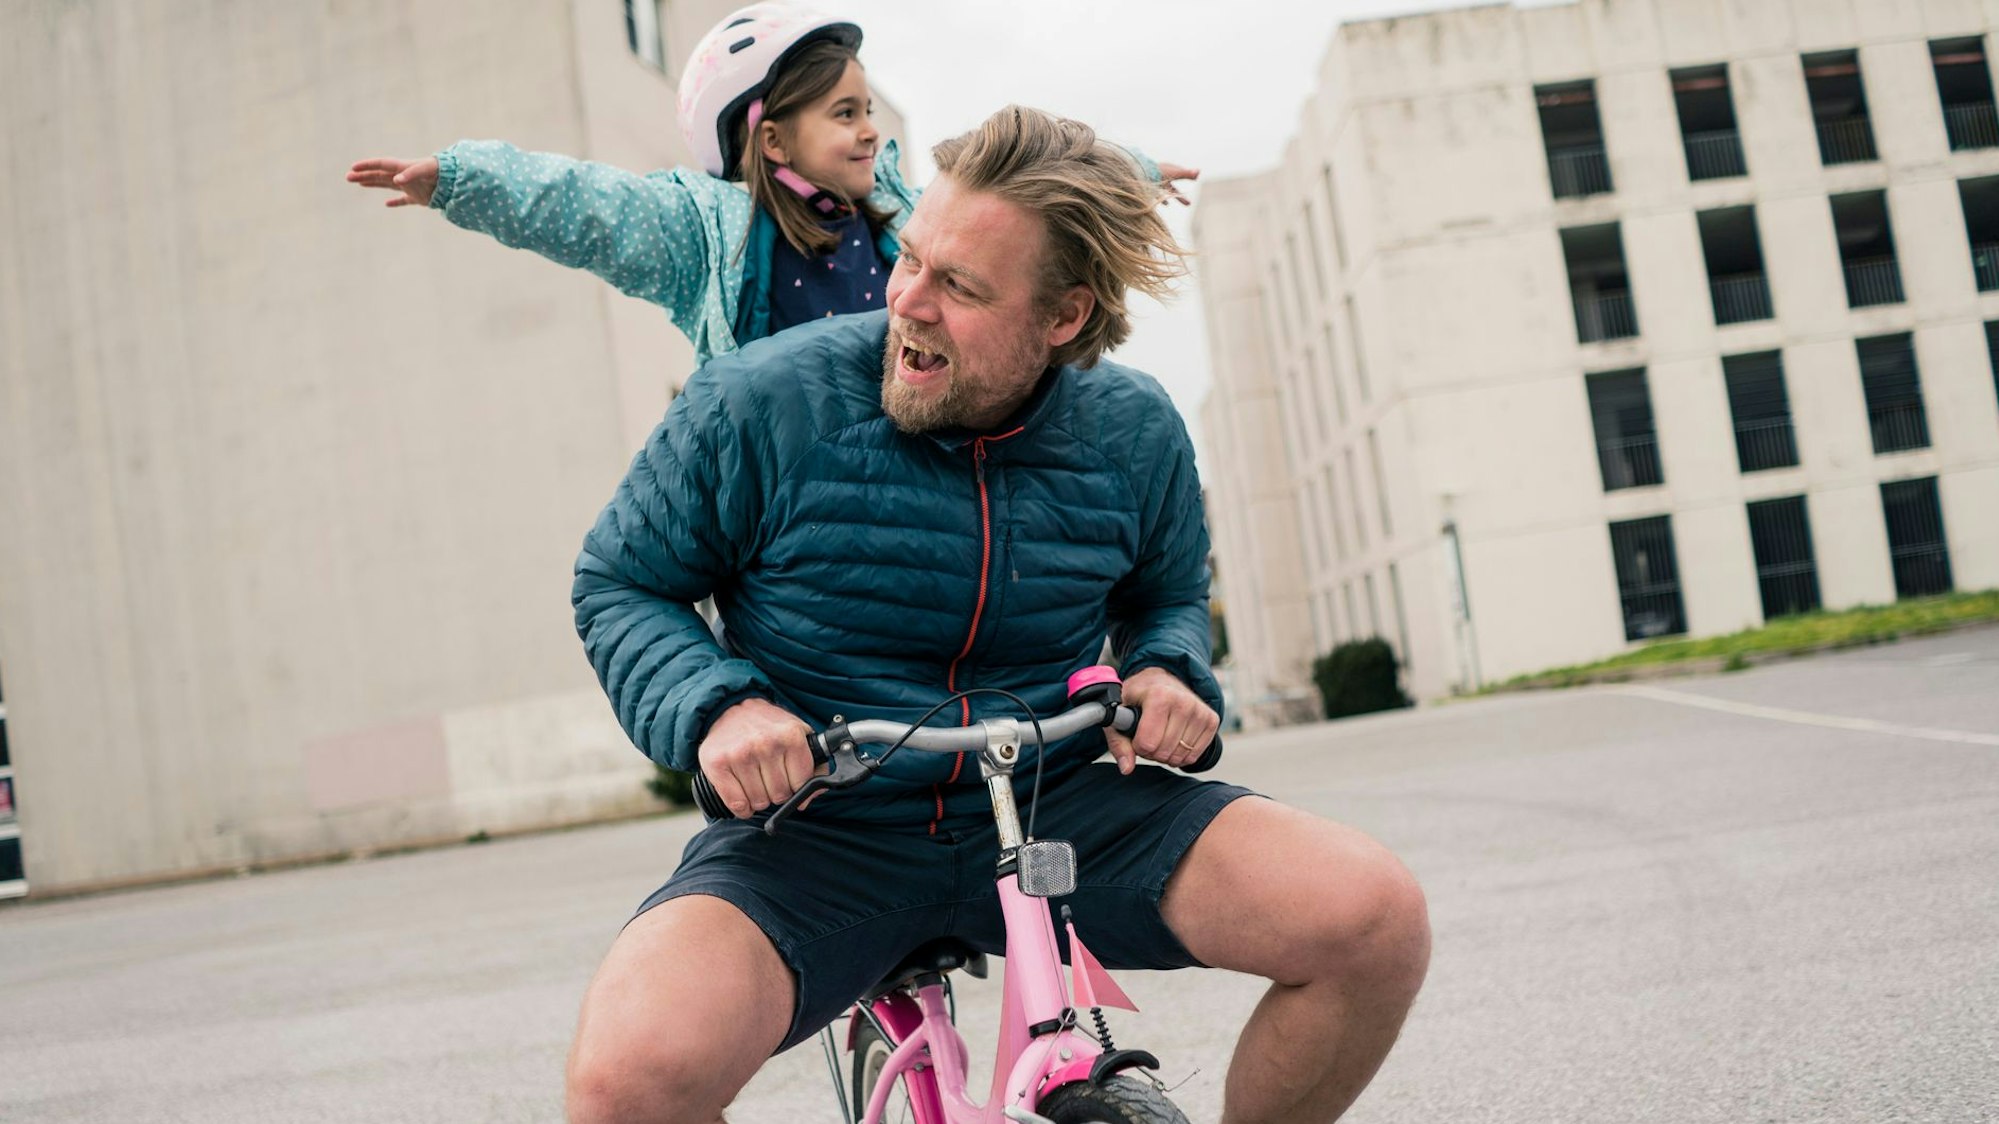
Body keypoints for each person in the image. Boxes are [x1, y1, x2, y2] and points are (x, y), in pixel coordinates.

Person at [567, 105, 1431, 1124]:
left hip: (1061, 803)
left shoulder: (1134, 430)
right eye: (911, 260)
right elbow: (620, 580)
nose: (908, 304)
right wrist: (717, 709)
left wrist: (1163, 668)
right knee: (626, 1086)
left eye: (959, 287)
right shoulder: (759, 402)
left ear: (1062, 318)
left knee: (1374, 920)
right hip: (825, 826)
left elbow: (1162, 593)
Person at [346, 3, 1195, 367]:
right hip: (796, 481)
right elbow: (588, 206)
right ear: (772, 135)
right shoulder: (704, 237)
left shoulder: (899, 212)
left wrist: (1128, 172)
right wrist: (460, 179)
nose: (869, 129)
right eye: (843, 113)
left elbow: (1013, 188)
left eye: (868, 108)